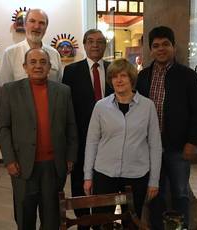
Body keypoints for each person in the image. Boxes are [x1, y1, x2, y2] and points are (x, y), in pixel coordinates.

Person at [136, 26, 197, 229]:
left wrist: (192, 141)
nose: (161, 49)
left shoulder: (188, 76)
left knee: (180, 193)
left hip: (178, 147)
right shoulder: (142, 77)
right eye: (156, 45)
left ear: (173, 47)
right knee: (154, 193)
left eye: (165, 44)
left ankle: (181, 228)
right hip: (150, 148)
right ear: (150, 50)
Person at [0, 48, 78, 230]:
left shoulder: (63, 91)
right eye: (33, 62)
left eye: (43, 62)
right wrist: (9, 160)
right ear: (25, 67)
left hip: (54, 166)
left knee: (52, 219)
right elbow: (3, 128)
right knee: (25, 217)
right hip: (23, 166)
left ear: (50, 67)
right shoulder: (10, 90)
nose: (38, 66)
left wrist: (71, 157)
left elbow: (71, 126)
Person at [83, 59, 162, 228]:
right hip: (104, 173)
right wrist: (87, 176)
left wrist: (154, 180)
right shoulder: (101, 106)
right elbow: (92, 142)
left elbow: (155, 145)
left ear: (132, 79)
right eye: (114, 76)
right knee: (101, 222)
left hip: (136, 174)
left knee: (132, 223)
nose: (118, 80)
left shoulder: (147, 106)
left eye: (123, 76)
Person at [62, 29, 113, 230]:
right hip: (81, 138)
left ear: (105, 46)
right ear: (84, 45)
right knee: (79, 182)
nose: (95, 45)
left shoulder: (113, 69)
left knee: (104, 182)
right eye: (90, 41)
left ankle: (102, 222)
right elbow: (67, 109)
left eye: (100, 42)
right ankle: (83, 222)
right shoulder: (71, 71)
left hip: (109, 139)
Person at [0, 9, 62, 85]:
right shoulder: (10, 53)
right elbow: (4, 87)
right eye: (32, 21)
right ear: (25, 25)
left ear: (46, 28)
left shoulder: (55, 54)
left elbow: (59, 87)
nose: (37, 26)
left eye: (41, 23)